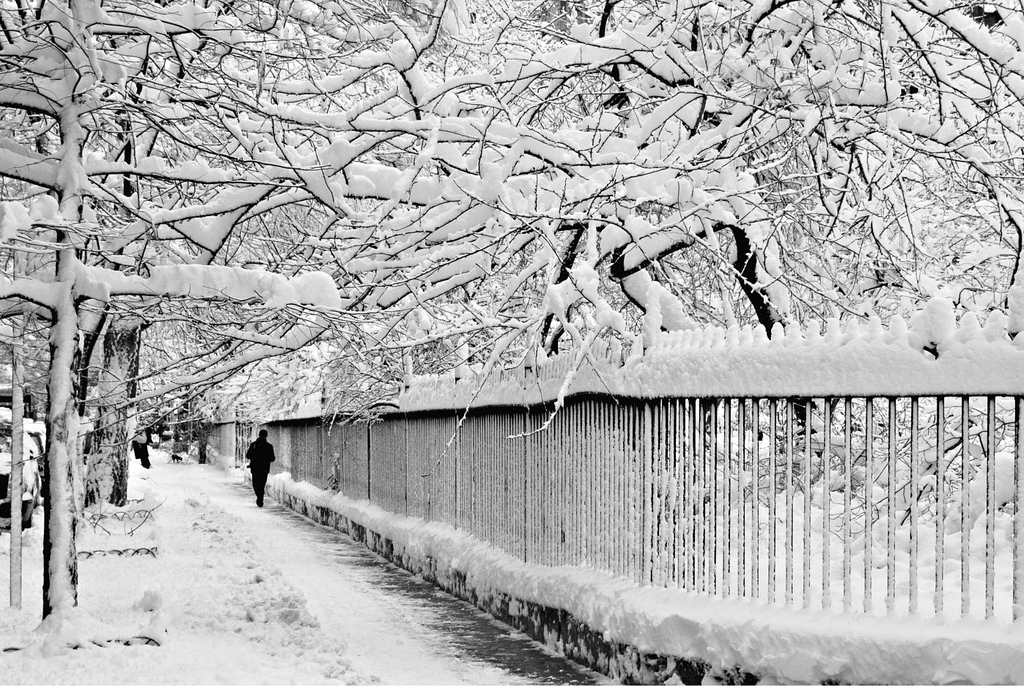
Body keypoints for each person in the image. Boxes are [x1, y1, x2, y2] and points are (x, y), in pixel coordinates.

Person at [246, 429, 275, 507]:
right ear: (266, 436)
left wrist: (255, 456)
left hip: (255, 468)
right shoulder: (269, 446)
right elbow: (272, 458)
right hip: (264, 469)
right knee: (262, 484)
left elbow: (248, 455)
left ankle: (259, 497)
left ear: (259, 435)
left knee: (255, 484)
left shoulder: (254, 445)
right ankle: (260, 498)